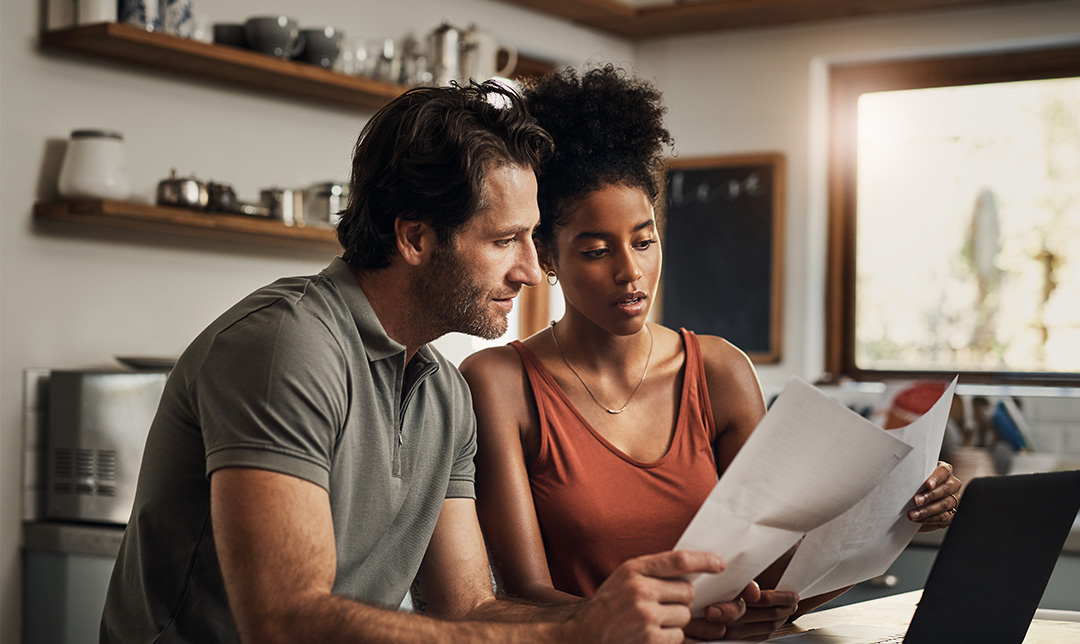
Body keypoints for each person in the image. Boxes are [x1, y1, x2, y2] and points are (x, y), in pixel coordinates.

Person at [99, 80, 751, 644]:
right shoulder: (287, 348)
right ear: (414, 236)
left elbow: (468, 609)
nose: (529, 269)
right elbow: (285, 622)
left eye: (531, 238)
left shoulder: (441, 391)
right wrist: (576, 631)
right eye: (504, 241)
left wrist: (619, 619)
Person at [459, 66, 963, 641]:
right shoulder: (499, 382)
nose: (631, 272)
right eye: (597, 250)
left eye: (645, 241)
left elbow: (777, 577)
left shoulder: (719, 371)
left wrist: (896, 517)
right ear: (546, 256)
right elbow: (525, 594)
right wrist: (672, 622)